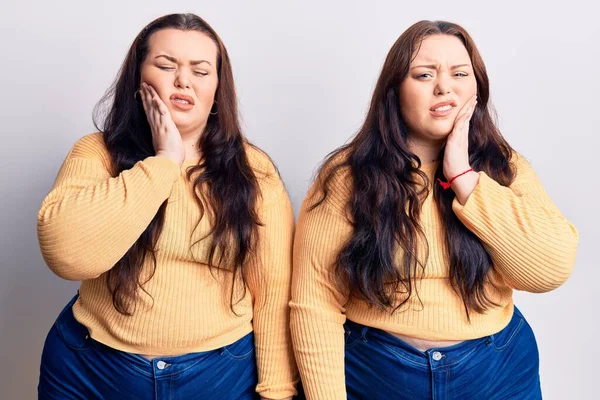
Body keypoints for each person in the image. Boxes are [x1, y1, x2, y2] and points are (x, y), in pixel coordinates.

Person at [290, 20, 579, 400]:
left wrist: (463, 177)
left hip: (497, 372)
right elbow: (314, 300)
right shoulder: (348, 176)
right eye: (424, 74)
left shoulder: (505, 168)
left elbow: (550, 271)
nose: (444, 86)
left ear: (476, 88)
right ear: (394, 91)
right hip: (377, 372)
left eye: (460, 73)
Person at [37, 13, 298, 400]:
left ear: (217, 89)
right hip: (90, 370)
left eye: (201, 70)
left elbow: (273, 293)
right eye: (165, 65)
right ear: (138, 78)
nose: (183, 80)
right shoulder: (96, 153)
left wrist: (277, 392)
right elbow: (67, 256)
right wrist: (164, 160)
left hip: (218, 377)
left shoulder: (254, 171)